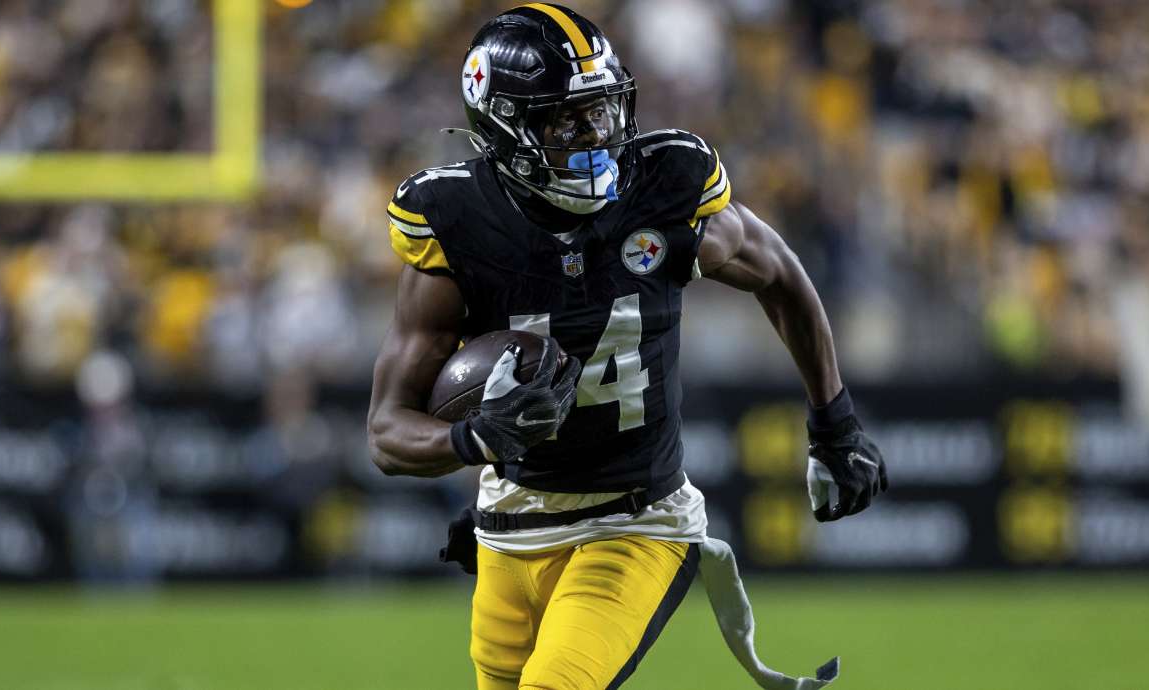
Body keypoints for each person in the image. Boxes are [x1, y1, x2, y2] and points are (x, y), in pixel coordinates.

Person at [367, 5, 888, 689]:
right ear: (503, 126)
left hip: (634, 519)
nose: (597, 135)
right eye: (566, 120)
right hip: (512, 524)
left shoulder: (662, 188)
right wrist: (474, 439)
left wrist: (834, 418)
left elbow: (780, 273)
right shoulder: (456, 221)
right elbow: (386, 431)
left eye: (603, 111)